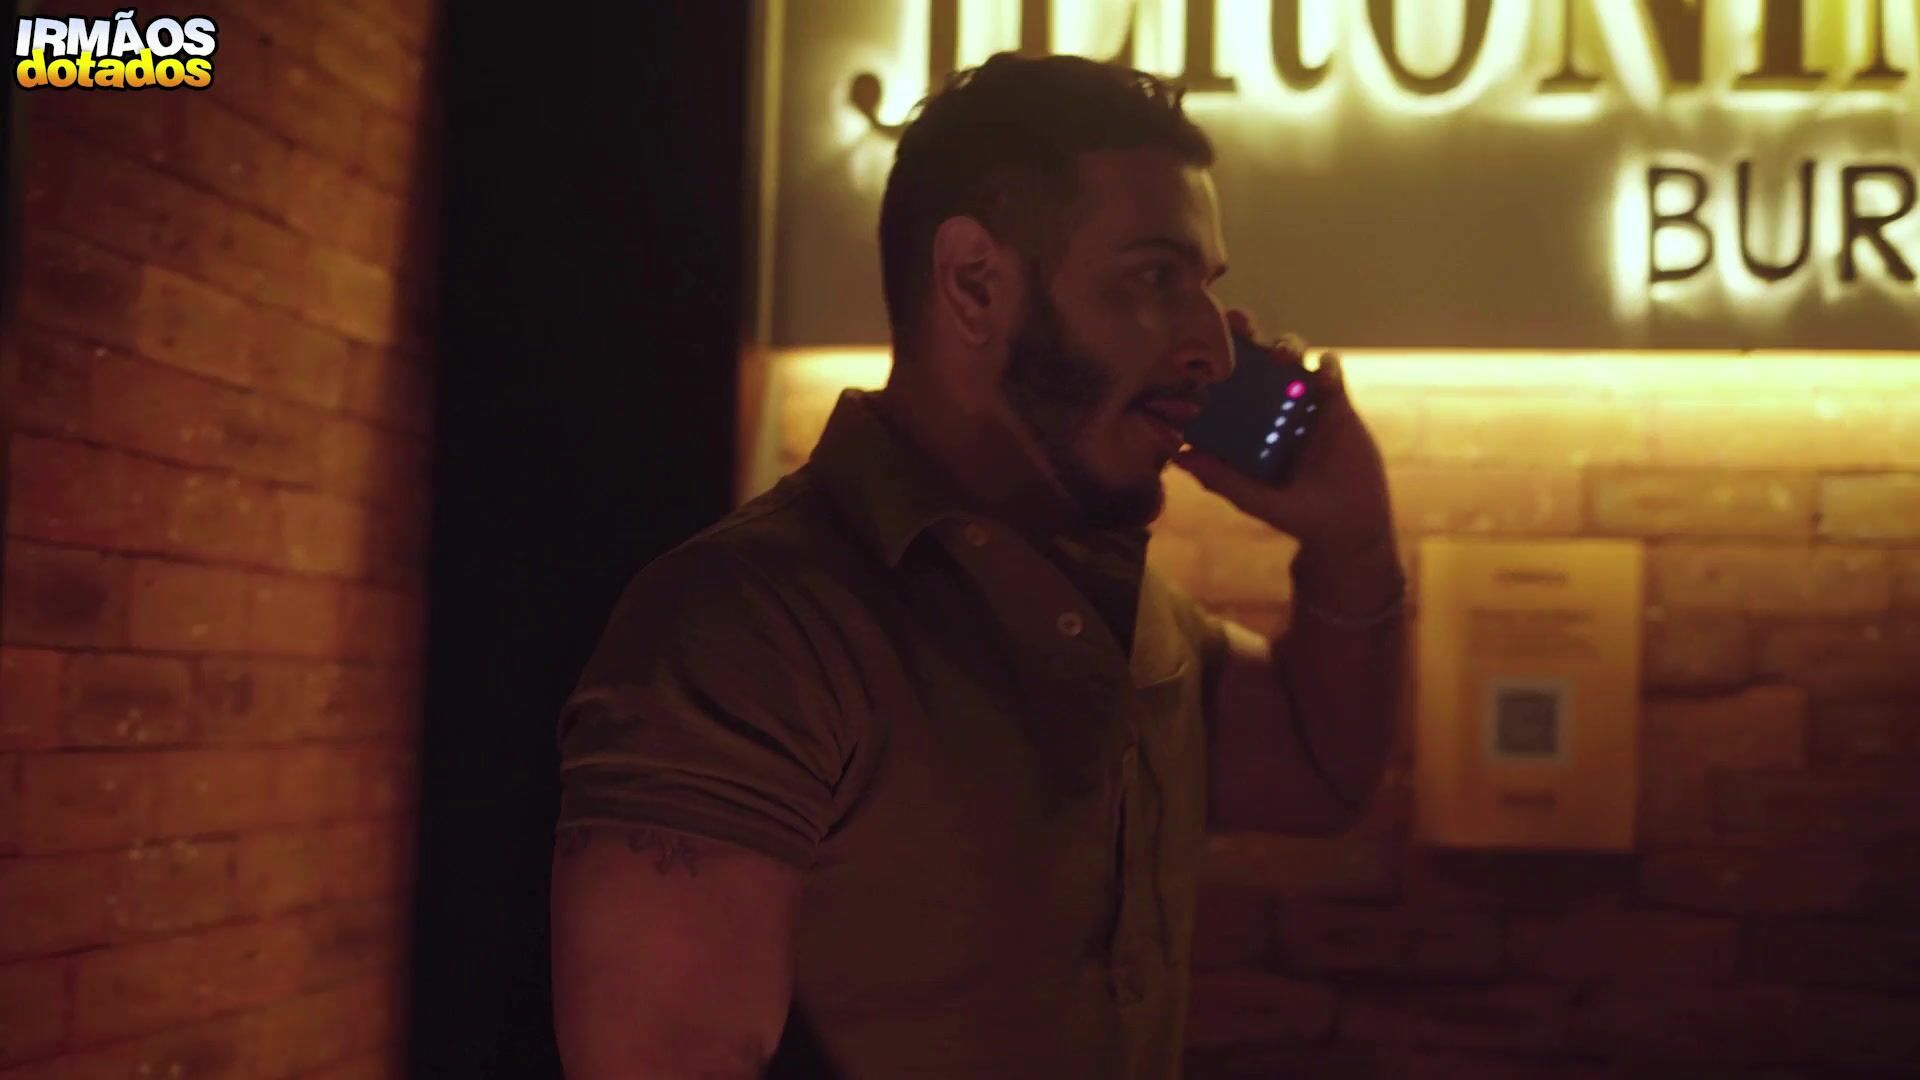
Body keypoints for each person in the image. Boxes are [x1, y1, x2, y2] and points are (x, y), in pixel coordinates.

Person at [549, 52, 1406, 1080]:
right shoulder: (752, 627)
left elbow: (1318, 773)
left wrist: (1353, 544)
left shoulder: (1137, 621)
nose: (1212, 352)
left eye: (1205, 287)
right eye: (1153, 277)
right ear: (974, 283)